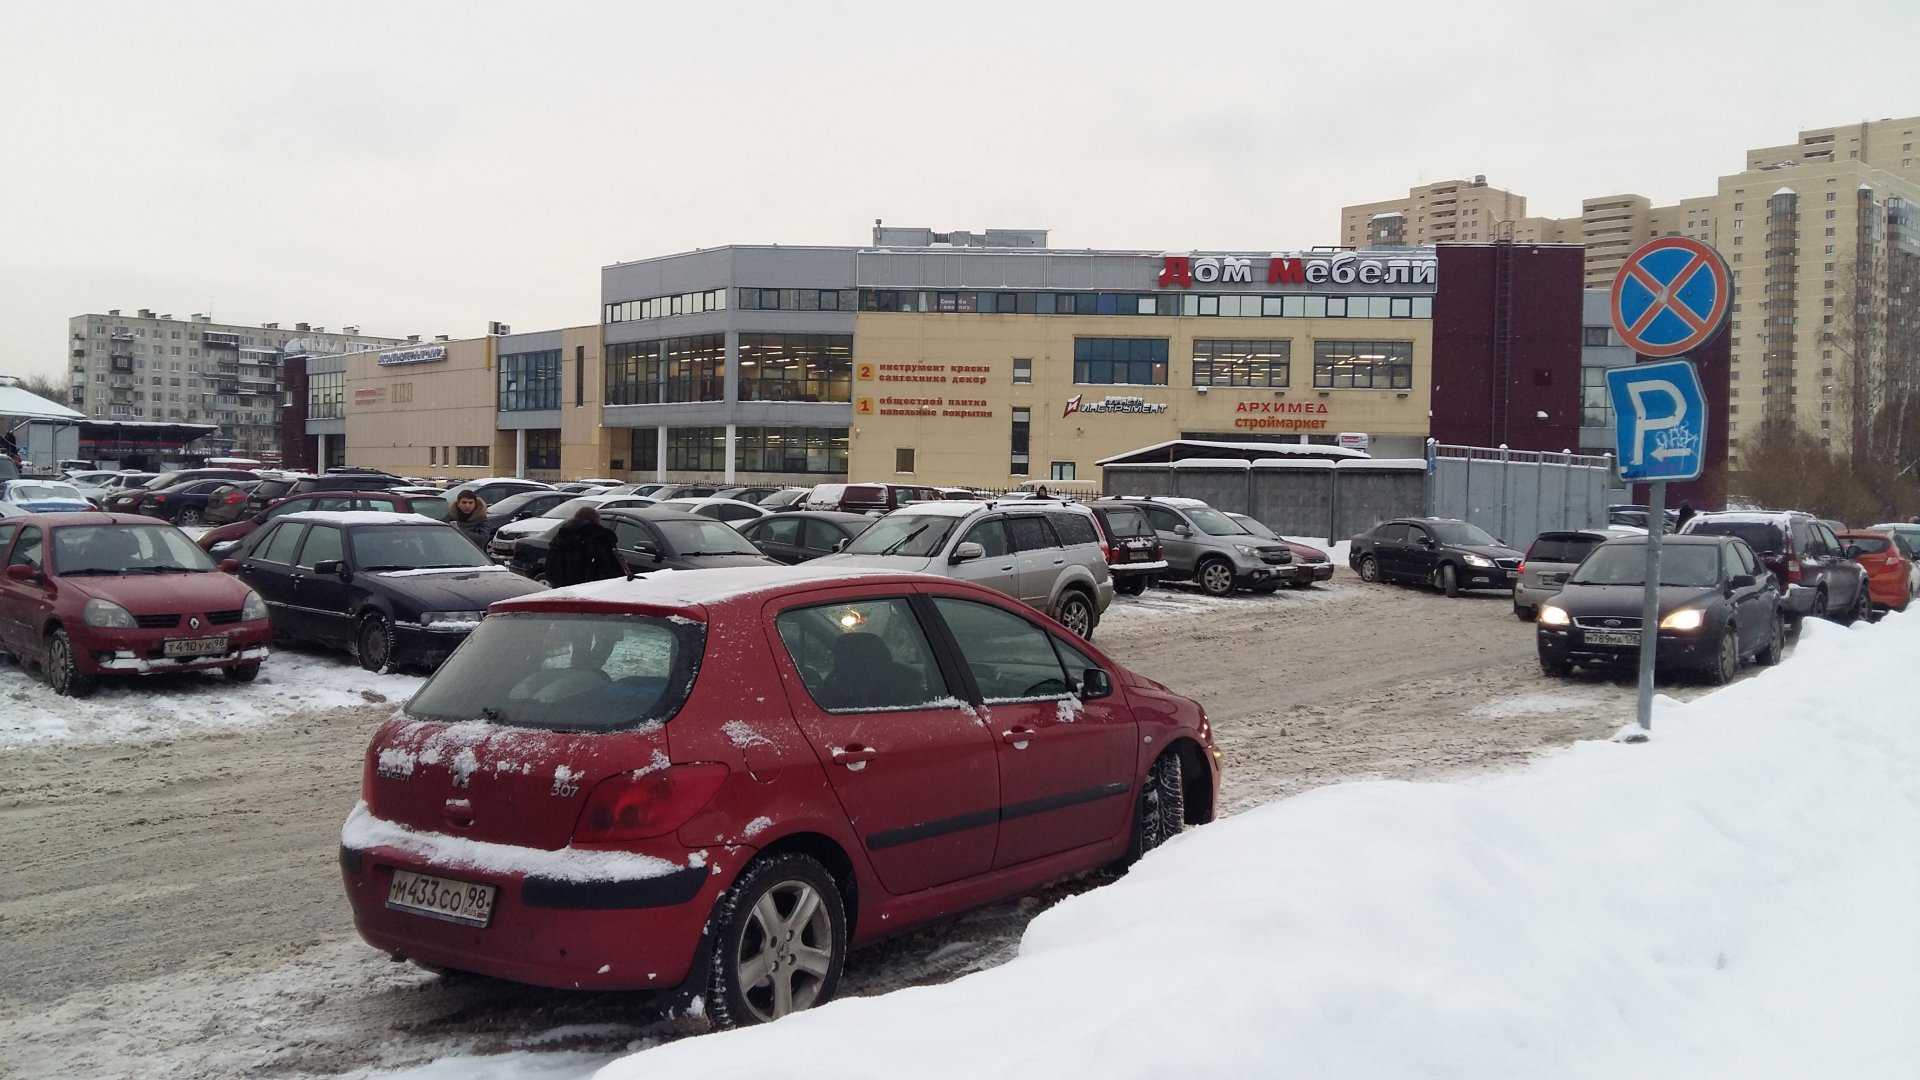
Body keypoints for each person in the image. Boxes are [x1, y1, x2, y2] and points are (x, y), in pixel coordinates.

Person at [544, 505, 625, 588]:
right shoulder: (599, 536)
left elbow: (551, 565)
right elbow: (609, 565)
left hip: (564, 587)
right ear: (595, 520)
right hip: (591, 587)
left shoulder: (562, 535)